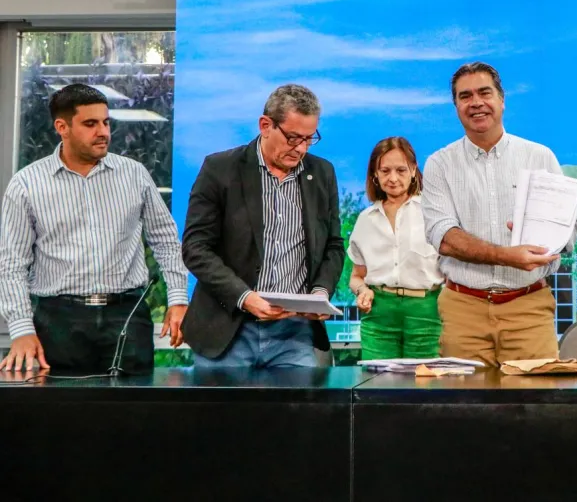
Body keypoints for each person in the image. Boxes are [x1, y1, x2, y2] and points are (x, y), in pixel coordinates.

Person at [0, 84, 188, 373]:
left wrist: (178, 299)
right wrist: (22, 329)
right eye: (90, 124)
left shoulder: (134, 174)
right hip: (58, 320)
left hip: (127, 315)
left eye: (105, 122)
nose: (103, 132)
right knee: (63, 402)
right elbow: (12, 263)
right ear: (62, 127)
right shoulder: (26, 184)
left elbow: (165, 241)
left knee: (134, 402)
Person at [421, 62, 577, 367]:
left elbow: (568, 228)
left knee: (535, 396)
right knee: (463, 398)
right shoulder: (439, 164)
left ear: (502, 99)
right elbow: (445, 238)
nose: (476, 102)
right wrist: (508, 255)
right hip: (463, 310)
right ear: (456, 107)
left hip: (528, 308)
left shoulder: (540, 157)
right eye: (465, 96)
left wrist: (545, 237)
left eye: (485, 93)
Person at [181, 84, 344, 368]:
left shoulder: (322, 173)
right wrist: (244, 297)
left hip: (294, 335)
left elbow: (333, 245)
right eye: (293, 138)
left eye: (309, 139)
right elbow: (196, 248)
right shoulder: (220, 169)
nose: (301, 149)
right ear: (265, 125)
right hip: (227, 331)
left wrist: (320, 293)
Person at [347, 137, 443, 360]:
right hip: (378, 318)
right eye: (385, 171)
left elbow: (450, 273)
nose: (393, 178)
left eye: (401, 170)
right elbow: (356, 276)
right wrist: (362, 291)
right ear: (375, 174)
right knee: (377, 380)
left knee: (425, 380)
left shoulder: (432, 213)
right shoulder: (365, 219)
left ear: (413, 170)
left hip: (427, 314)